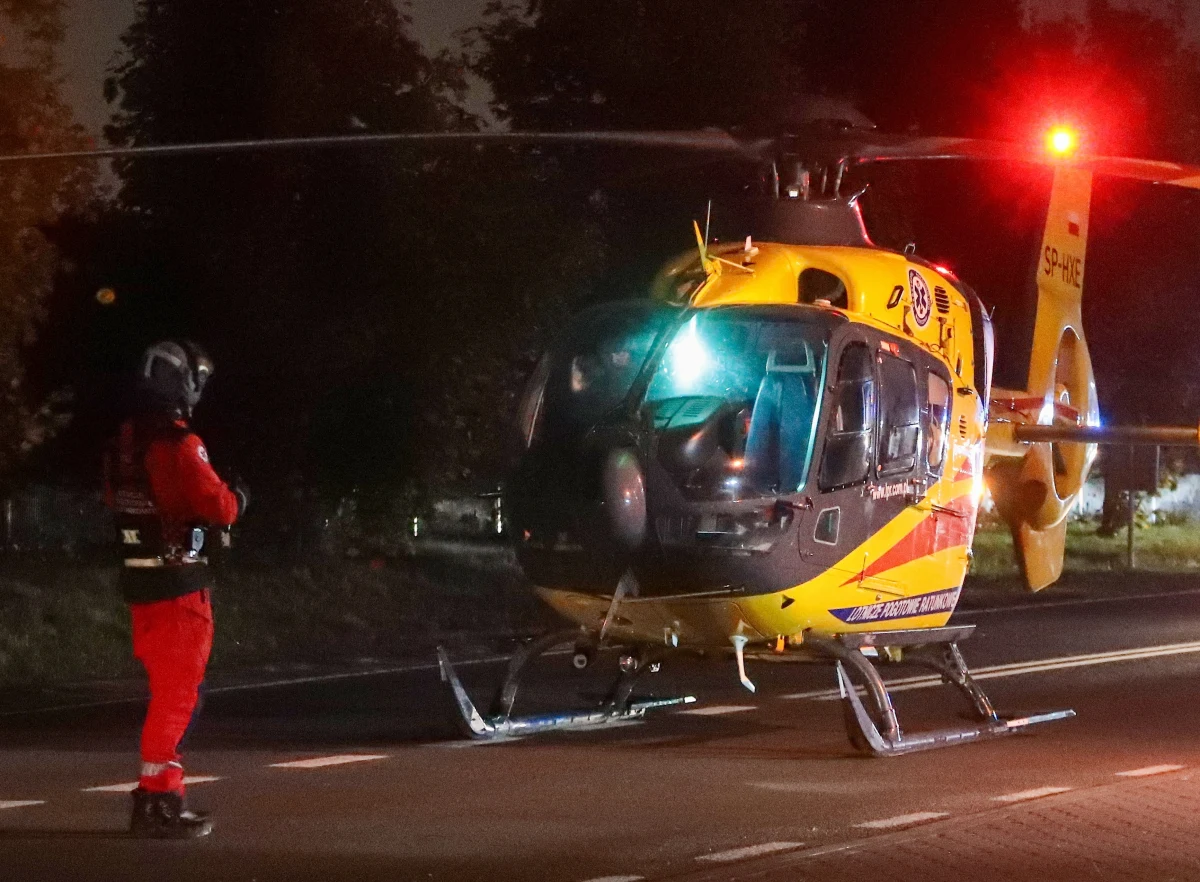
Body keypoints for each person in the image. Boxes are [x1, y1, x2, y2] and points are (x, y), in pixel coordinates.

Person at [105, 341, 247, 839]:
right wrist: (239, 498)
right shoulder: (180, 444)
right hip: (178, 591)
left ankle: (157, 795)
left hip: (141, 589)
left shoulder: (126, 443)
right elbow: (219, 506)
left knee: (168, 697)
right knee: (178, 700)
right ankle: (159, 800)